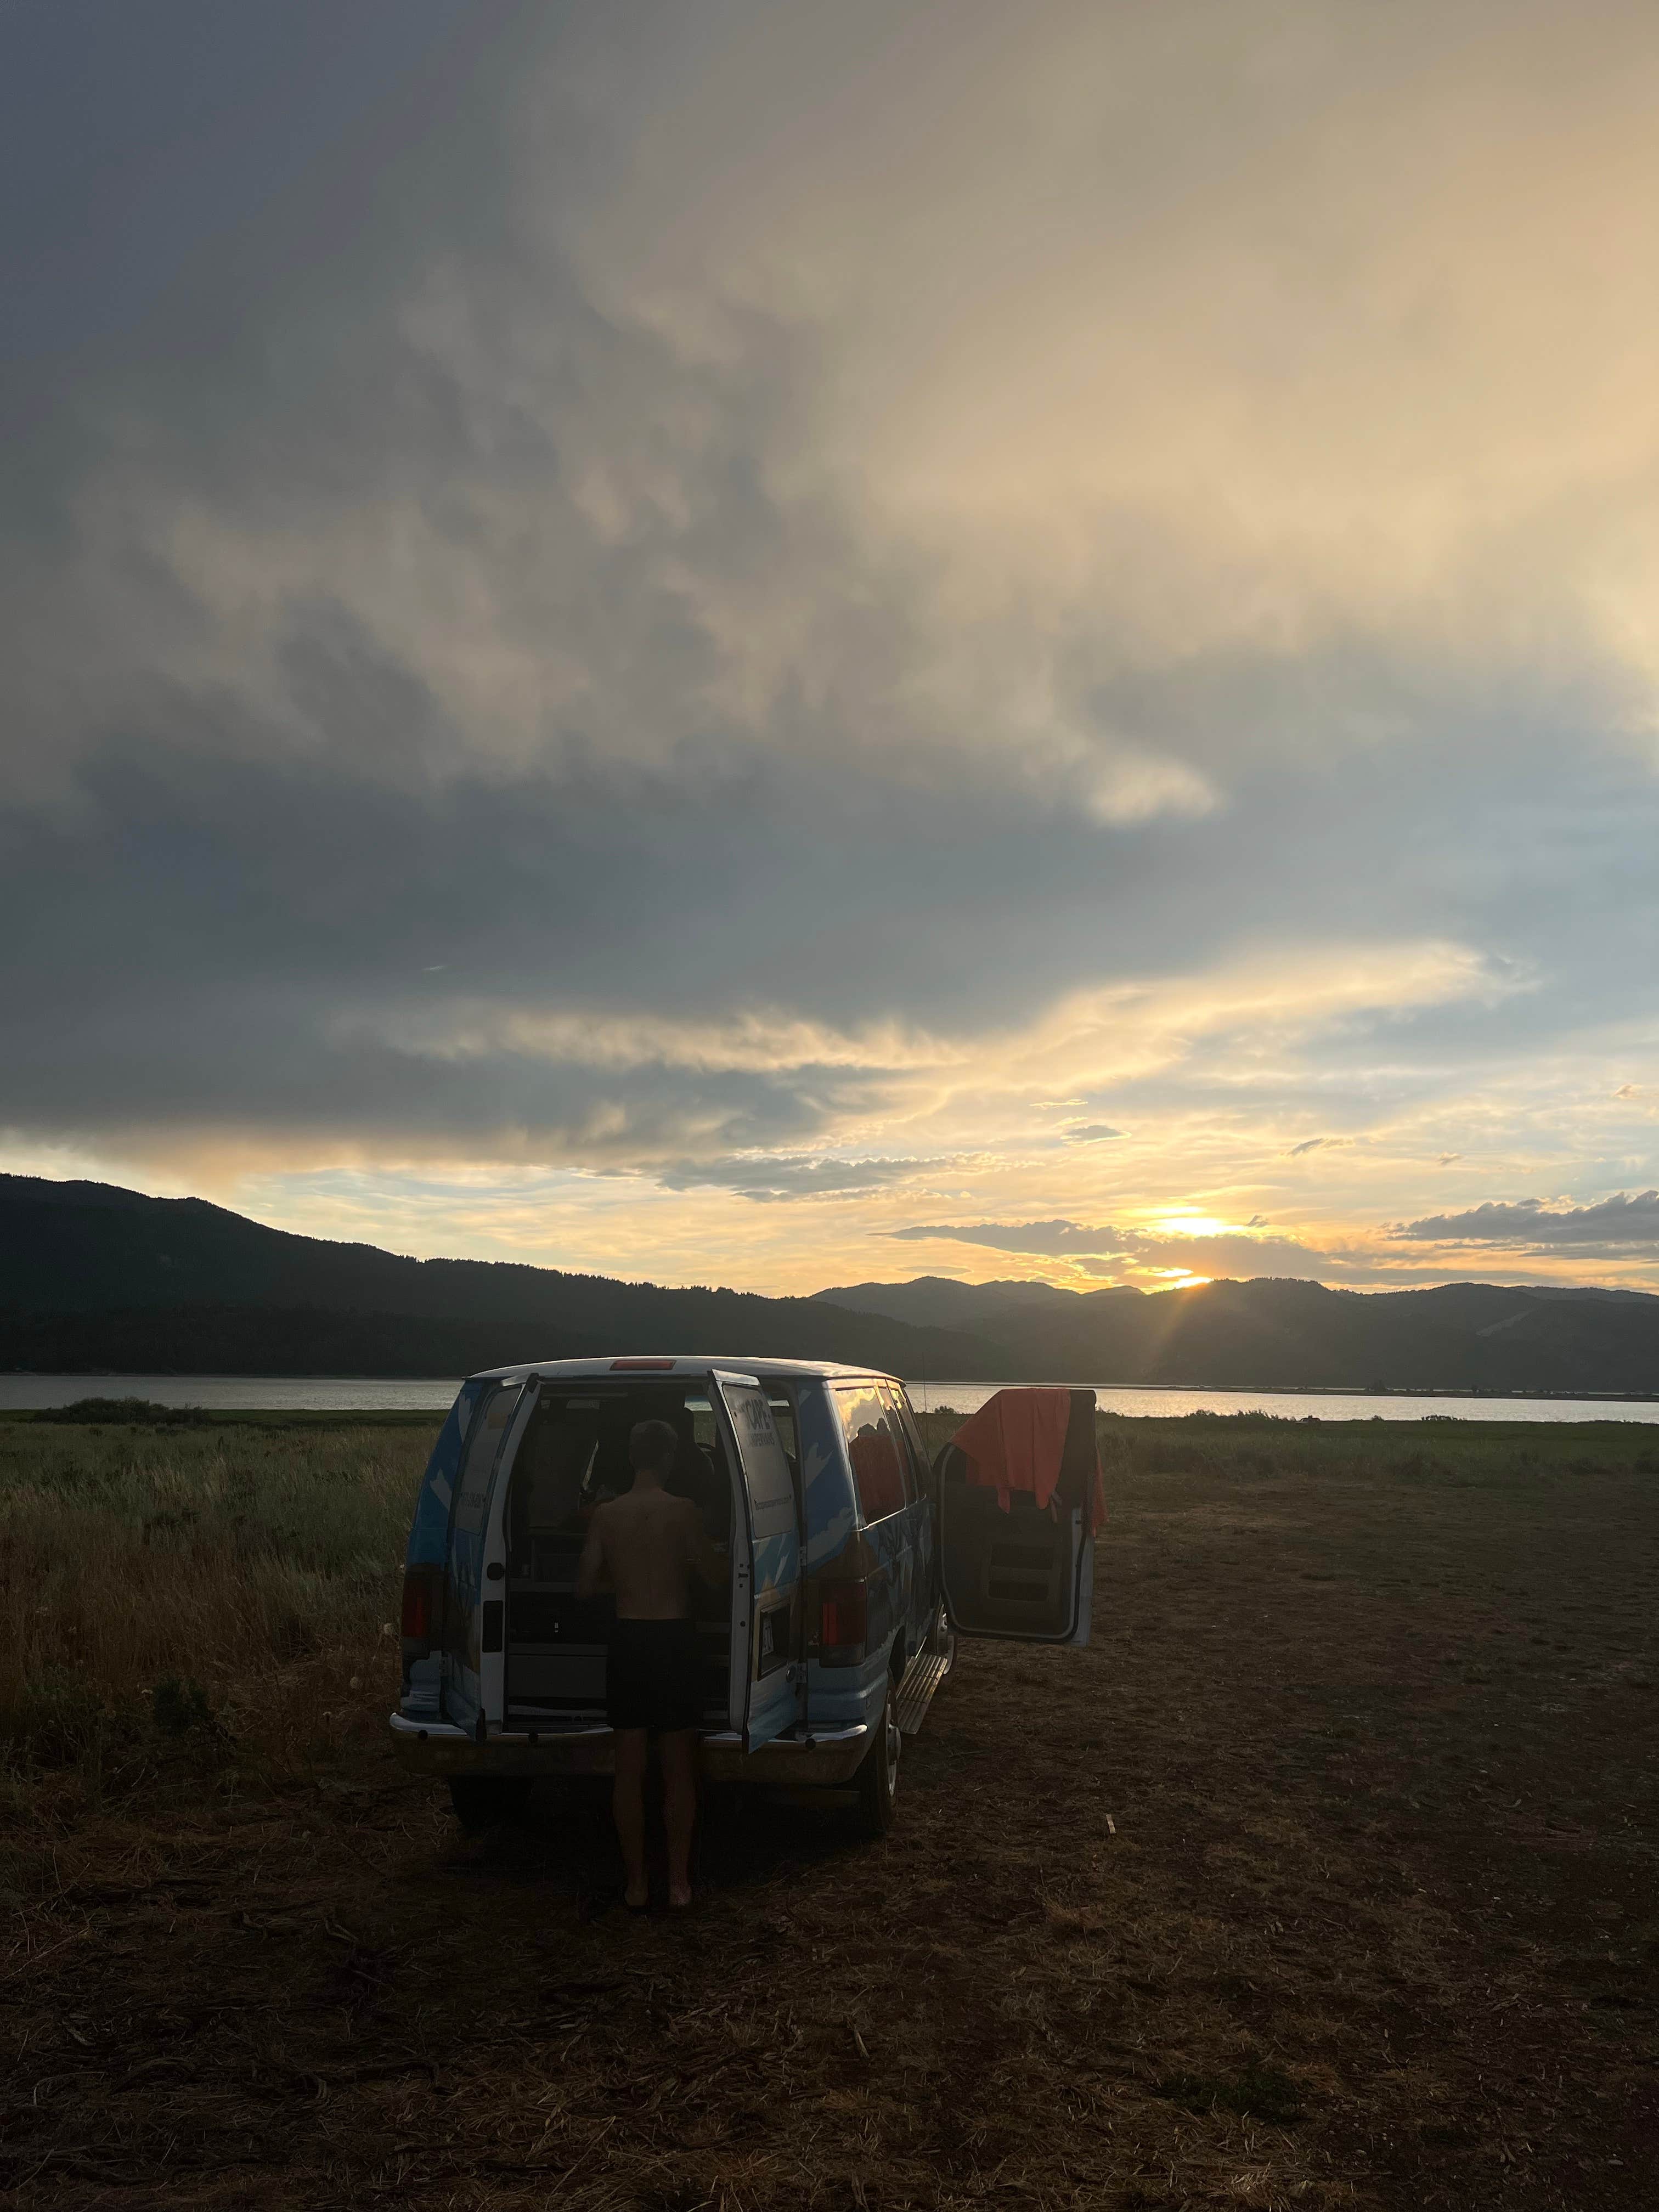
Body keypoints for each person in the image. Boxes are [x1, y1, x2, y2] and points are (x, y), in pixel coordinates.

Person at [576, 1417, 726, 1910]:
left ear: (630, 1456)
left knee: (629, 1769)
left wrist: (622, 1581)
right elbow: (715, 1576)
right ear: (670, 1458)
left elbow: (584, 1587)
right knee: (678, 1767)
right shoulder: (683, 1512)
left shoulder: (606, 1515)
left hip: (628, 1639)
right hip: (674, 1639)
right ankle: (679, 1884)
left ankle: (636, 1884)